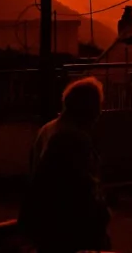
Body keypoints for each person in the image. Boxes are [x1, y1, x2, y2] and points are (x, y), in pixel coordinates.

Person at [18, 77, 111, 253]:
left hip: (43, 226)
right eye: (98, 105)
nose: (100, 112)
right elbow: (83, 190)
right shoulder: (74, 138)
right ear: (88, 108)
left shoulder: (48, 129)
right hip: (67, 230)